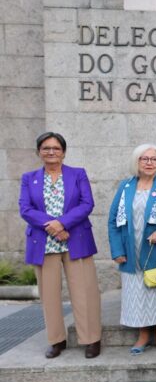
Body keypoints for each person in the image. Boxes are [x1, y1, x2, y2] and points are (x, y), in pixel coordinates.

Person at [19, 132, 102, 359]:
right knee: (49, 295)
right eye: (46, 148)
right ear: (39, 152)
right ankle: (57, 340)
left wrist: (63, 223)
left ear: (63, 152)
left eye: (56, 148)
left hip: (76, 239)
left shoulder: (77, 174)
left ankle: (91, 339)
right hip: (44, 243)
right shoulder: (29, 178)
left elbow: (87, 203)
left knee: (85, 292)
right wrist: (53, 227)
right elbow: (25, 209)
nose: (51, 152)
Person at [108, 144, 156, 356]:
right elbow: (113, 221)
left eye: (154, 159)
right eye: (144, 159)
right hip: (131, 248)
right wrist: (117, 249)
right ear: (137, 162)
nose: (149, 163)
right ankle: (143, 334)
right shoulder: (126, 186)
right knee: (136, 292)